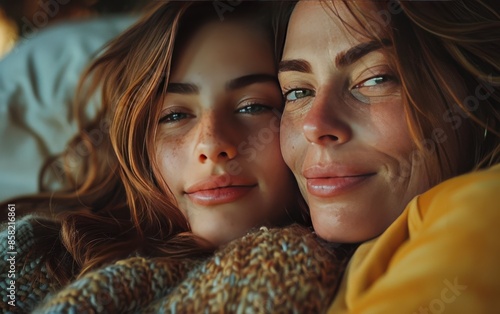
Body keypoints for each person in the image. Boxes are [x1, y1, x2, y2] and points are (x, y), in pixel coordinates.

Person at [1, 1, 346, 313]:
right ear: (139, 144)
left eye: (252, 106)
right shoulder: (33, 245)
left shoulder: (318, 258)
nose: (211, 145)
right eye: (175, 116)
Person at [278, 0, 500, 312]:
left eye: (374, 78)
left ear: (481, 94)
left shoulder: (484, 209)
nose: (314, 125)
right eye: (298, 92)